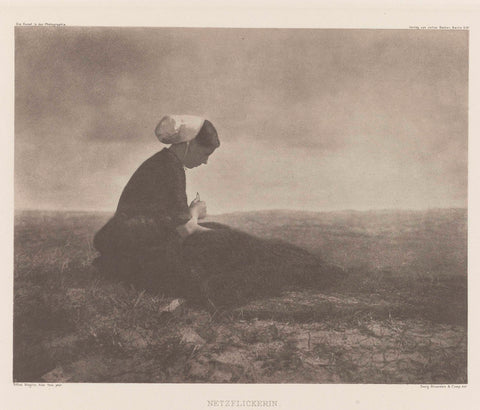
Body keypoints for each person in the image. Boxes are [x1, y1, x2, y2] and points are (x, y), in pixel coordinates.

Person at [93, 115, 345, 308]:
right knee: (232, 252)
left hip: (138, 247)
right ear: (189, 145)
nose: (205, 161)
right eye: (205, 153)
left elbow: (171, 223)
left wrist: (195, 216)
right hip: (141, 254)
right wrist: (196, 212)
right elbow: (186, 230)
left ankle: (299, 267)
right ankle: (305, 270)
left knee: (225, 237)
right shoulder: (168, 169)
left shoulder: (163, 164)